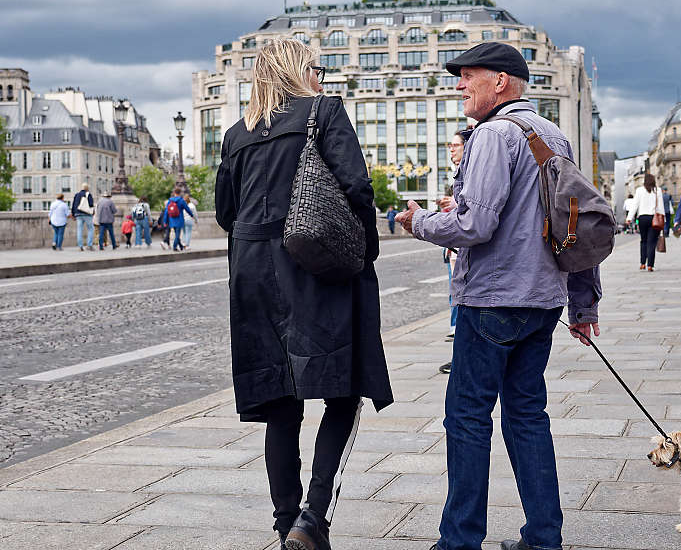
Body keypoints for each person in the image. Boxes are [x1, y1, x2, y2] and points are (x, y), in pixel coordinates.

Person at [395, 41, 601, 550]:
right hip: (543, 301)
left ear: (500, 81)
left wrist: (418, 220)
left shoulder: (493, 134)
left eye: (468, 76)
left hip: (492, 300)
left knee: (467, 417)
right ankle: (543, 538)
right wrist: (583, 304)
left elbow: (476, 223)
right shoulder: (554, 135)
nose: (460, 85)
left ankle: (460, 540)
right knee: (528, 416)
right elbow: (569, 223)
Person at [213, 38, 393, 549]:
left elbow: (226, 212)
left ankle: (285, 520)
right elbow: (357, 188)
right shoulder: (325, 112)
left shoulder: (236, 134)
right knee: (343, 386)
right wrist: (364, 252)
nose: (321, 77)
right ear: (300, 70)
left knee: (280, 403)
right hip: (315, 269)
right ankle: (312, 517)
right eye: (316, 68)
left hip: (253, 274)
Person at [436, 130, 467, 374]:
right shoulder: (458, 172)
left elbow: (474, 211)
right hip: (455, 248)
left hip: (465, 250)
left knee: (463, 298)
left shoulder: (471, 171)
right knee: (457, 296)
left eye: (455, 145)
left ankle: (462, 359)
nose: (451, 149)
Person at [626, 173, 664, 271]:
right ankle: (650, 265)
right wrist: (664, 220)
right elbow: (660, 207)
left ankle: (642, 263)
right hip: (653, 219)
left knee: (643, 241)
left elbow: (635, 205)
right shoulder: (657, 191)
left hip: (642, 218)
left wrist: (629, 217)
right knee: (651, 242)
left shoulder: (639, 190)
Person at [160, 187, 195, 252]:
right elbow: (187, 209)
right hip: (179, 219)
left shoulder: (170, 200)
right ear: (180, 193)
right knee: (177, 235)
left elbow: (166, 212)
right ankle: (175, 247)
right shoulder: (181, 200)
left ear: (174, 193)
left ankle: (181, 246)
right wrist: (192, 215)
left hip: (171, 220)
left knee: (177, 234)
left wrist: (165, 221)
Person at [71, 183, 95, 251]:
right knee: (90, 229)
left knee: (79, 230)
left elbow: (73, 205)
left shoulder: (77, 195)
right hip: (86, 213)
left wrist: (73, 214)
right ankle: (89, 245)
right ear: (87, 188)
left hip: (78, 214)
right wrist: (93, 211)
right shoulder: (88, 194)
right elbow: (91, 205)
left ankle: (80, 246)